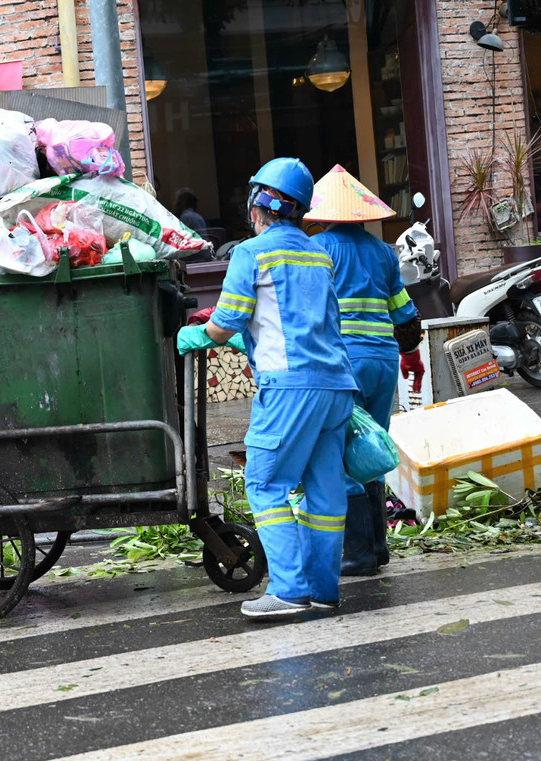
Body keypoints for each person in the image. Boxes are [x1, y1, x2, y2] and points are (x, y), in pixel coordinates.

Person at [176, 158, 357, 619]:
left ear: (262, 203)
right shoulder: (318, 253)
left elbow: (227, 320)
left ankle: (290, 591)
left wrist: (199, 335)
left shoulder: (252, 253)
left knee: (264, 481)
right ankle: (322, 589)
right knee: (324, 493)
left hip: (290, 387)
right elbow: (312, 320)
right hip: (336, 386)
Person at [307, 165, 425, 576]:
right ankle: (378, 548)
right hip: (383, 361)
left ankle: (356, 554)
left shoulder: (318, 248)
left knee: (340, 456)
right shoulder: (382, 251)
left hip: (345, 366)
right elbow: (406, 314)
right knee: (370, 450)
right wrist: (412, 356)